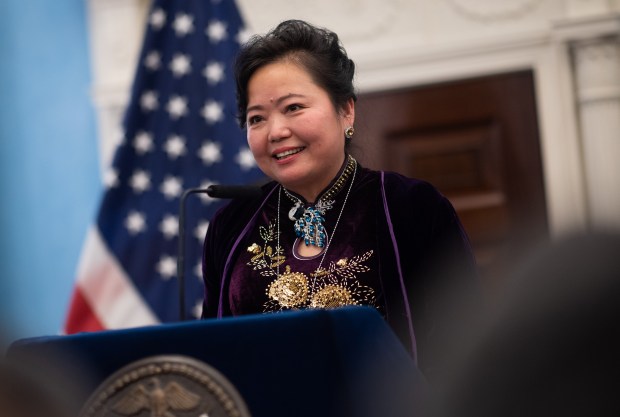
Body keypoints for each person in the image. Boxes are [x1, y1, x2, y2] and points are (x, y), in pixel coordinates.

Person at [201, 19, 477, 370]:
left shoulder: (411, 207)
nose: (276, 131)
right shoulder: (232, 224)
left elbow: (466, 345)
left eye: (293, 108)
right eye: (257, 119)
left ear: (346, 109)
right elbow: (213, 354)